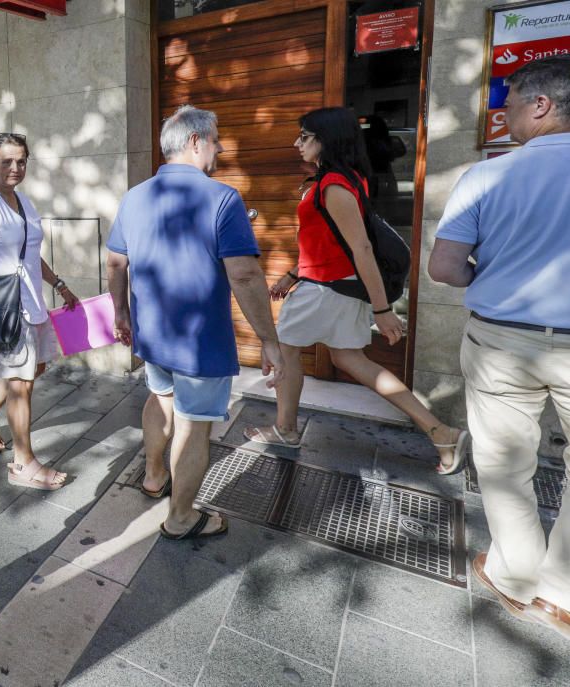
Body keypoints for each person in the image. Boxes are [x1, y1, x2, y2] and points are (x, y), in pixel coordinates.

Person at [243, 107, 468, 476]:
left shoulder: (334, 185)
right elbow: (329, 244)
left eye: (305, 136)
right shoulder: (345, 180)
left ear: (326, 140)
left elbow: (361, 248)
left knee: (284, 355)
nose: (297, 143)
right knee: (351, 360)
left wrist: (383, 309)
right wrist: (292, 274)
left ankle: (285, 430)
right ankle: (439, 431)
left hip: (324, 291)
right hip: (333, 287)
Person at [429, 55, 570, 640]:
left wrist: (490, 275)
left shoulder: (487, 176)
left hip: (501, 339)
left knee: (505, 464)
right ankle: (562, 594)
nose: (503, 114)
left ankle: (514, 576)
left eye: (509, 104)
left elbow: (444, 267)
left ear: (542, 105)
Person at [107, 105, 284, 541]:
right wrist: (269, 339)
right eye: (216, 139)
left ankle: (153, 477)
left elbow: (115, 263)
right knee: (193, 425)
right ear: (194, 142)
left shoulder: (134, 197)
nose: (220, 147)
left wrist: (122, 313)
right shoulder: (222, 198)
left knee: (159, 398)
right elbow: (243, 275)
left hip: (152, 334)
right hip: (198, 343)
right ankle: (181, 517)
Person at [0, 133, 80, 490]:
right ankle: (23, 463)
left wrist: (59, 285)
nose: (15, 167)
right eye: (7, 161)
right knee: (21, 385)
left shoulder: (23, 201)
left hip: (32, 302)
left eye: (21, 161)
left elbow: (31, 253)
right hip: (6, 307)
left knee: (34, 369)